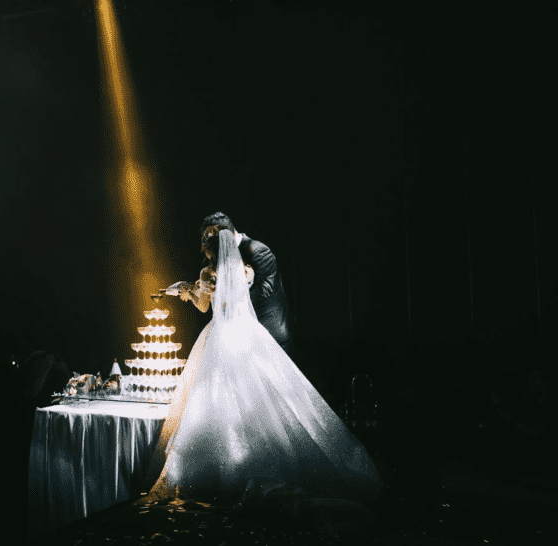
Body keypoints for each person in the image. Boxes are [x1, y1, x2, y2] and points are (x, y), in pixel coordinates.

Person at [142, 215, 382, 507]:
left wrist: (194, 293)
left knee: (216, 399)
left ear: (209, 247)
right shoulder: (244, 270)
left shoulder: (209, 272)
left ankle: (218, 466)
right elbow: (243, 299)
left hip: (220, 334)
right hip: (246, 332)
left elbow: (206, 306)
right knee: (259, 399)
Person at [163, 212, 296, 360]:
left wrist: (223, 297)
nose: (206, 238)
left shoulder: (258, 250)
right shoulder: (224, 269)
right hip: (233, 332)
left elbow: (263, 290)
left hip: (267, 331)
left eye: (210, 236)